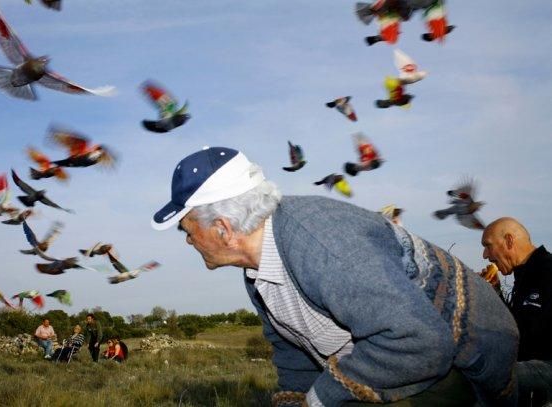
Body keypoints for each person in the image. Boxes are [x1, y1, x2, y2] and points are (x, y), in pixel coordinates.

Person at [151, 146, 519, 406]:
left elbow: (422, 343)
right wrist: (294, 401)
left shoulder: (321, 245)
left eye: (187, 228)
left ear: (222, 228)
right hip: (410, 359)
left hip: (466, 352)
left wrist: (322, 397)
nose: (187, 241)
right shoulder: (256, 272)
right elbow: (290, 347)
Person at [482, 217, 552, 405]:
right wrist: (495, 292)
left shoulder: (548, 271)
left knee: (484, 376)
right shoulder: (523, 277)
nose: (484, 255)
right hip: (527, 365)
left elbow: (525, 335)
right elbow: (515, 325)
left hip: (546, 367)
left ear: (509, 241)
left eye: (488, 246)